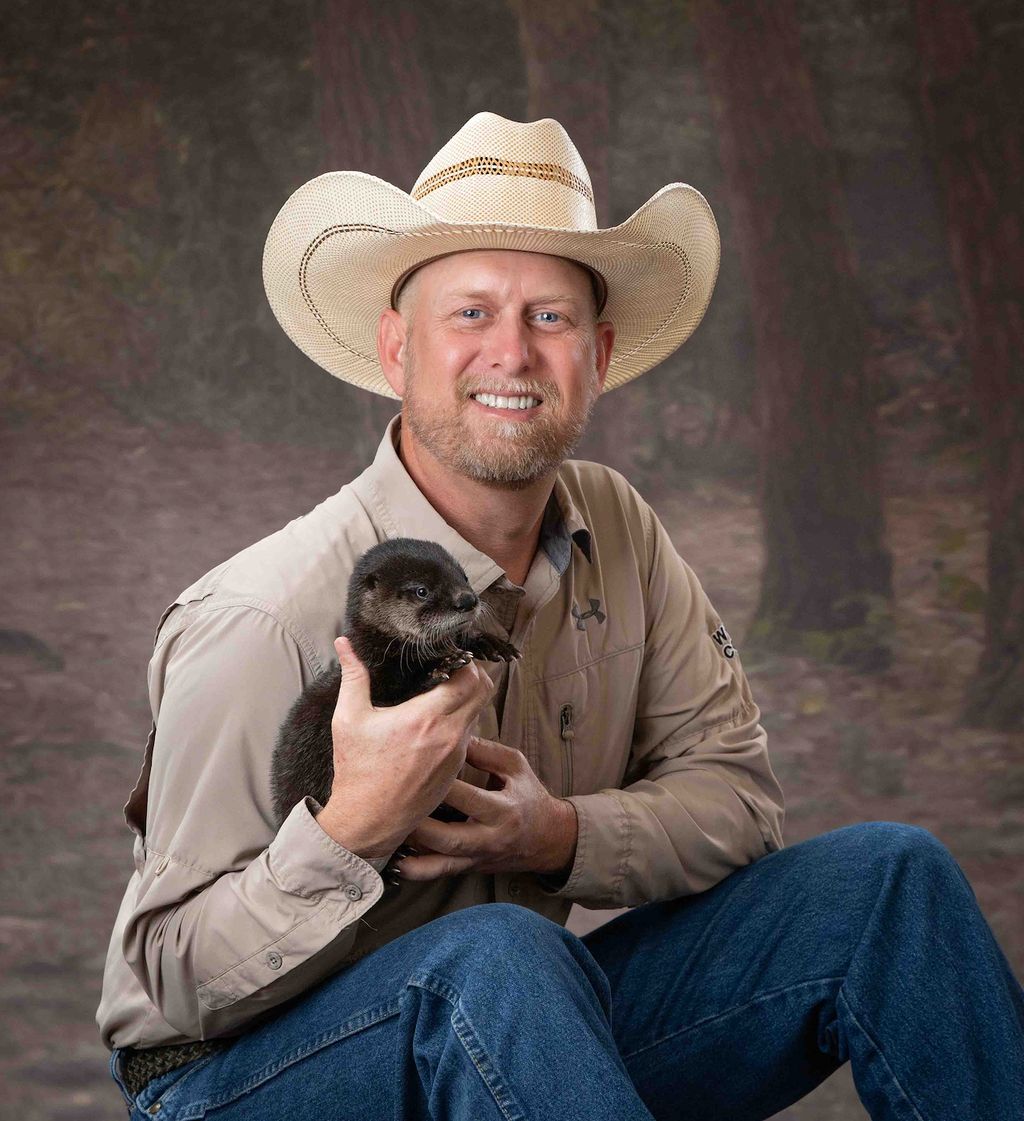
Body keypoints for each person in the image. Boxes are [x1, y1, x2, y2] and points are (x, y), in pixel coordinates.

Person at [98, 112, 1023, 1120]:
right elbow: (170, 978)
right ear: (397, 344)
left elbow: (737, 803)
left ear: (600, 351)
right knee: (498, 960)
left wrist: (557, 834)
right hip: (231, 1079)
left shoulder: (617, 530)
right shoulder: (262, 615)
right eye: (471, 314)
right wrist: (350, 827)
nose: (513, 352)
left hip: (511, 1026)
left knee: (889, 882)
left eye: (549, 317)